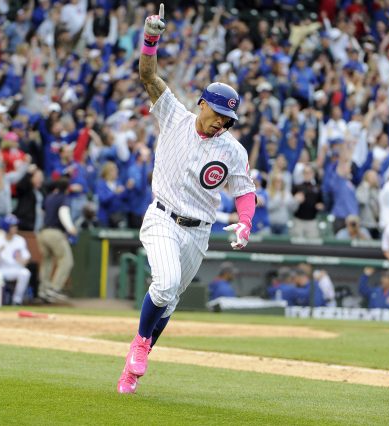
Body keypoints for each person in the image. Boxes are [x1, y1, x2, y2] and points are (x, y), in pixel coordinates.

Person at [117, 4, 256, 395]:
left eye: (228, 120)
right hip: (162, 217)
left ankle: (130, 371)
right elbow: (148, 75)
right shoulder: (174, 115)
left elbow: (245, 191)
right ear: (202, 103)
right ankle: (140, 346)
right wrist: (151, 38)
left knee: (169, 304)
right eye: (217, 114)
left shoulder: (232, 150)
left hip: (198, 233)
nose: (221, 123)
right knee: (165, 285)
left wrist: (245, 222)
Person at [37, 178, 77, 303]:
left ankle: (43, 289)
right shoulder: (63, 198)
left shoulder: (49, 197)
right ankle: (54, 289)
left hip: (43, 232)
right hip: (55, 233)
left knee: (47, 261)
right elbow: (63, 212)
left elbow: (42, 212)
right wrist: (70, 228)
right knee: (66, 261)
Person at [0, 215, 31, 306]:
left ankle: (17, 300)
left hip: (15, 268)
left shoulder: (20, 240)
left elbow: (26, 258)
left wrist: (22, 260)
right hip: (1, 269)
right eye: (13, 226)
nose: (15, 228)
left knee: (25, 273)